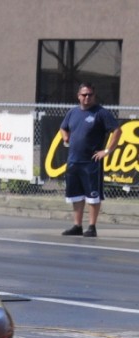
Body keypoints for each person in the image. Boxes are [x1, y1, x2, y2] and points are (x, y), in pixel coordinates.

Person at [58, 83, 121, 238]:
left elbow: (117, 130)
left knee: (92, 196)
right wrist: (65, 136)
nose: (87, 97)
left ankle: (92, 227)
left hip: (90, 162)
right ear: (78, 96)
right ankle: (77, 225)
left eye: (90, 95)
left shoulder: (101, 113)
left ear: (94, 96)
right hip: (73, 161)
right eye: (84, 94)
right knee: (76, 195)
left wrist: (107, 151)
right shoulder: (72, 112)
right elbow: (63, 127)